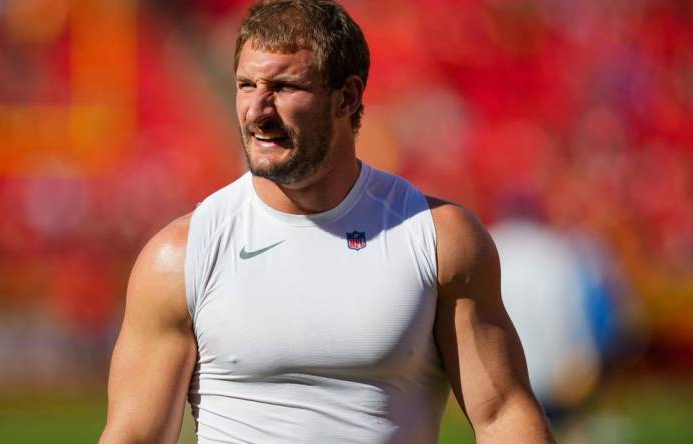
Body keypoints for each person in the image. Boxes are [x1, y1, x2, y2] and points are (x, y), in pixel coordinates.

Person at [100, 1, 555, 442]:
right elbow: (136, 435)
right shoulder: (180, 254)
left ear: (347, 97)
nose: (257, 111)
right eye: (245, 86)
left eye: (282, 87)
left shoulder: (437, 238)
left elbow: (501, 414)